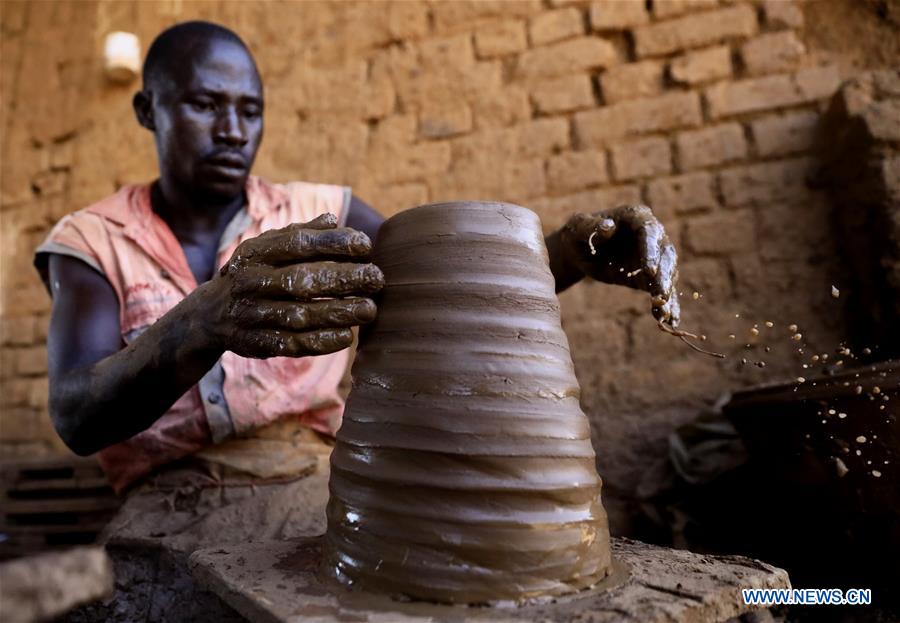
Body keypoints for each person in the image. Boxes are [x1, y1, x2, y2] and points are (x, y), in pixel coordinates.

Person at [34, 21, 679, 620]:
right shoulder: (94, 239)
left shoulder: (323, 210)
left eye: (249, 110)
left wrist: (573, 253)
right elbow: (77, 414)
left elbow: (447, 287)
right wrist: (201, 320)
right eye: (205, 105)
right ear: (149, 109)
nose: (232, 129)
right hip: (169, 506)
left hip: (317, 486)